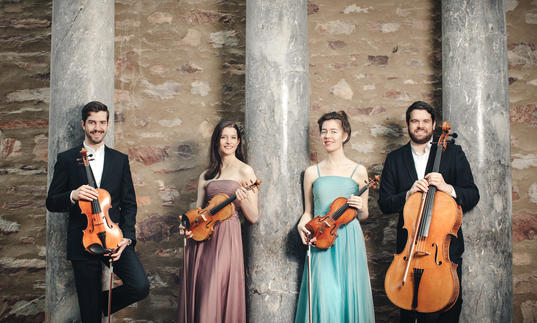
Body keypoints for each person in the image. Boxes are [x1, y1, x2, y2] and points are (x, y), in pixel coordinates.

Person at [46, 101, 149, 323]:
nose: (97, 128)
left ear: (108, 124)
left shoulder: (119, 160)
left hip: (113, 237)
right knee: (90, 318)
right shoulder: (67, 159)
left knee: (139, 285)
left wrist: (128, 238)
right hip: (83, 239)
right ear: (83, 124)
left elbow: (129, 203)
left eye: (102, 122)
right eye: (92, 122)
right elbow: (52, 202)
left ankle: (98, 303)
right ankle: (91, 308)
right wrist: (73, 194)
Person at [378, 101, 480, 323]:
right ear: (408, 125)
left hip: (442, 255)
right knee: (408, 314)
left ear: (434, 124)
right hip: (409, 253)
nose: (420, 125)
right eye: (415, 121)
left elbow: (473, 195)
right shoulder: (395, 158)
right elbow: (384, 204)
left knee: (447, 315)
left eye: (426, 121)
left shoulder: (452, 153)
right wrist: (407, 194)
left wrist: (447, 188)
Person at [296, 111, 375, 323]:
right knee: (324, 297)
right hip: (321, 239)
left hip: (349, 239)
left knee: (348, 296)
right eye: (323, 132)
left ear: (345, 135)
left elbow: (364, 214)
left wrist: (360, 207)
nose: (327, 136)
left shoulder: (359, 171)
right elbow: (308, 213)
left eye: (333, 131)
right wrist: (301, 227)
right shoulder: (312, 172)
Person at [178, 120, 259, 323]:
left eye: (233, 137)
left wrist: (243, 200)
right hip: (202, 239)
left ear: (239, 142)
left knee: (215, 290)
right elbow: (198, 210)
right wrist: (186, 225)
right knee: (203, 289)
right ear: (217, 141)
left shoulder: (245, 171)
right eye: (224, 137)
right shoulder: (205, 175)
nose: (228, 141)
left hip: (227, 237)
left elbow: (254, 216)